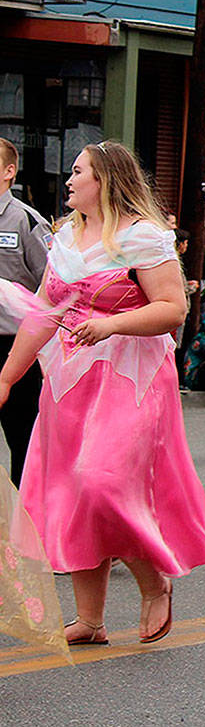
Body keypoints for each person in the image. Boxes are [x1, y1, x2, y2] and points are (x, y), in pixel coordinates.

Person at [0, 140, 205, 645]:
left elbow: (172, 308)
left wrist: (111, 326)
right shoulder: (65, 236)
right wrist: (8, 376)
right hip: (69, 380)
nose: (69, 181)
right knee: (73, 492)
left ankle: (154, 583)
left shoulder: (143, 236)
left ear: (105, 180)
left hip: (131, 377)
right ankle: (91, 619)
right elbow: (42, 314)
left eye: (78, 172)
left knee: (100, 482)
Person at [0, 138, 52, 482]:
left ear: (8, 172)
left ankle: (23, 527)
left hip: (15, 346)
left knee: (23, 443)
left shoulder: (26, 222)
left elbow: (53, 287)